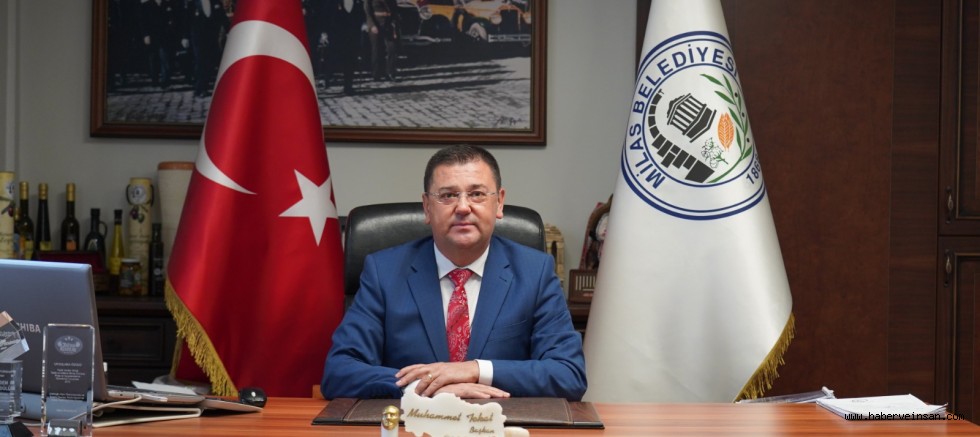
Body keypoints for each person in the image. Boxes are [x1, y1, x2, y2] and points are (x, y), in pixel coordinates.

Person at [321, 145, 587, 401]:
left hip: (500, 423)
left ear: (499, 203)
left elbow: (569, 374)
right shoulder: (384, 272)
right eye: (448, 195)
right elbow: (339, 372)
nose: (462, 207)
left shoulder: (535, 272)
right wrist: (426, 386)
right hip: (413, 423)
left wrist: (475, 370)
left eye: (477, 194)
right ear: (427, 207)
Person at [364, 0, 399, 81]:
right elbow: (368, 12)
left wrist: (394, 22)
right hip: (376, 22)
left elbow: (394, 9)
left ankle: (391, 72)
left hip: (388, 23)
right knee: (377, 49)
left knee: (392, 49)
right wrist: (372, 25)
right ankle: (376, 74)